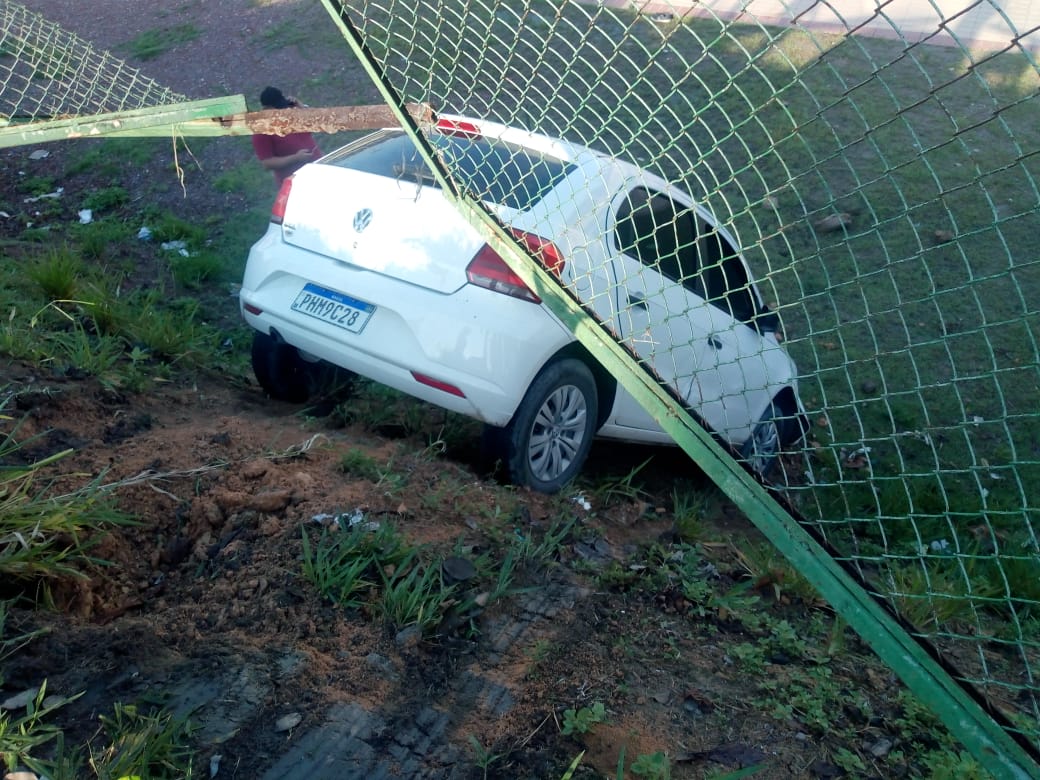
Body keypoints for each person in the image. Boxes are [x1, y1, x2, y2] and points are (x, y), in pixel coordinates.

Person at [251, 86, 322, 186]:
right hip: (296, 180)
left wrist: (301, 106)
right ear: (266, 109)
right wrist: (296, 158)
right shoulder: (262, 131)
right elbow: (267, 163)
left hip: (319, 168)